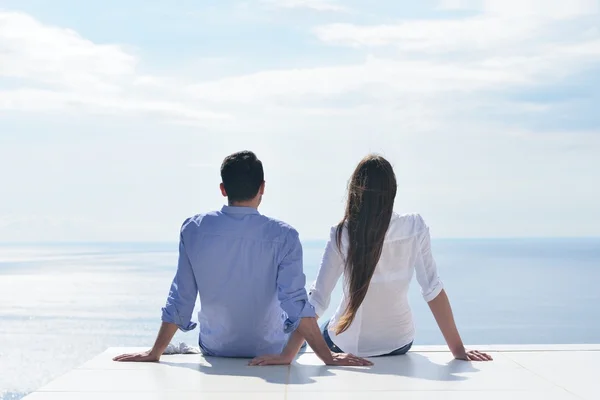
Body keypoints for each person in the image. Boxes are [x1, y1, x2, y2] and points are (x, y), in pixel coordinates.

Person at [113, 151, 372, 367]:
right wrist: (328, 358)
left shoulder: (194, 230)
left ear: (223, 189)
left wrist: (155, 352)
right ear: (262, 188)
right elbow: (295, 302)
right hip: (271, 347)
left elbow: (182, 295)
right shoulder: (285, 235)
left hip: (216, 348)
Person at [307, 154, 492, 361]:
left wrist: (302, 354)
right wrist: (458, 351)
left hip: (348, 345)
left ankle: (296, 347)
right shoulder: (414, 226)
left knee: (321, 329)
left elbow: (318, 300)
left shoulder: (342, 233)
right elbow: (432, 289)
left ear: (355, 192)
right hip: (399, 343)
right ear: (392, 192)